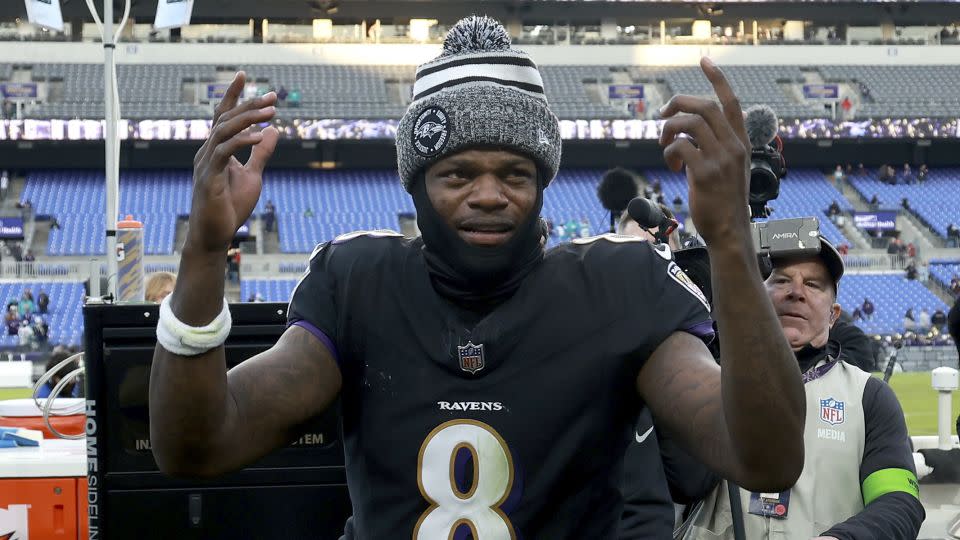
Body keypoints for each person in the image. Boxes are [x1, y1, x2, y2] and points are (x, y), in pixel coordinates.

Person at [149, 17, 806, 539]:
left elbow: (766, 457)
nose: (489, 195)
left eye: (515, 174)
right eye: (458, 173)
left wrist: (728, 241)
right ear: (417, 183)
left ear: (544, 182)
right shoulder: (360, 283)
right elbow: (196, 447)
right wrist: (204, 253)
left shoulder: (619, 284)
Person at [682, 237, 924, 539]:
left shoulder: (869, 398)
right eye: (780, 280)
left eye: (813, 284)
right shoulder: (705, 379)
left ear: (834, 314)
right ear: (753, 297)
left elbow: (899, 502)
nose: (796, 292)